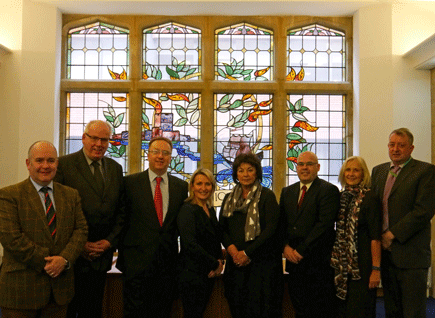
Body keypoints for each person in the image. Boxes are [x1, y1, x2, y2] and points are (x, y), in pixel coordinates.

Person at [0, 141, 88, 318]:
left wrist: (64, 259)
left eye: (51, 160)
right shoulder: (9, 195)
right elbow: (12, 239)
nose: (45, 166)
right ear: (28, 164)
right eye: (39, 160)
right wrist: (50, 262)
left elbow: (81, 230)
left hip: (59, 292)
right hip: (20, 291)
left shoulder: (71, 194)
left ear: (57, 163)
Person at [54, 120, 125, 318]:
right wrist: (80, 245)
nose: (99, 143)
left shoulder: (115, 168)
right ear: (84, 138)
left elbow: (121, 211)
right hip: (72, 259)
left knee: (93, 311)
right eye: (94, 138)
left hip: (101, 258)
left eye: (104, 139)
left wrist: (109, 242)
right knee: (68, 311)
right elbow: (57, 212)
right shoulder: (64, 165)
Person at [117, 136, 188, 318]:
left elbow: (182, 225)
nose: (160, 156)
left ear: (171, 157)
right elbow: (121, 221)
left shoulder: (181, 187)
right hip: (136, 267)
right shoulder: (130, 184)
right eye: (155, 152)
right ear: (147, 155)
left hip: (166, 268)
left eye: (165, 153)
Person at [371, 128, 435, 318]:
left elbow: (423, 211)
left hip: (411, 256)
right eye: (392, 144)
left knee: (412, 312)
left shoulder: (426, 171)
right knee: (392, 310)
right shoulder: (379, 171)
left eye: (401, 145)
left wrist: (392, 235)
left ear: (411, 148)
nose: (395, 149)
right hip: (386, 255)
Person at [220, 152, 283, 318]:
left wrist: (247, 253)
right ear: (236, 174)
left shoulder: (267, 196)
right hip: (236, 266)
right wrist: (234, 252)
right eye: (241, 170)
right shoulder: (228, 198)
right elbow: (222, 229)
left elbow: (271, 229)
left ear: (257, 172)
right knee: (237, 309)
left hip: (261, 267)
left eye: (250, 170)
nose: (245, 174)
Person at [280, 151, 340, 318]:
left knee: (320, 311)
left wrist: (300, 251)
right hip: (294, 264)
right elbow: (281, 223)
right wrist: (285, 247)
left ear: (318, 167)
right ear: (296, 167)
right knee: (300, 309)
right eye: (301, 164)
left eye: (309, 164)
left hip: (318, 263)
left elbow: (324, 226)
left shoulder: (329, 190)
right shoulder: (287, 192)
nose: (304, 168)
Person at [330, 156, 382, 318]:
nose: (351, 173)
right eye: (348, 169)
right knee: (343, 310)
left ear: (363, 173)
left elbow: (375, 236)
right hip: (342, 265)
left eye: (356, 170)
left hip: (363, 266)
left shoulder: (370, 198)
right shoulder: (341, 197)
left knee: (361, 310)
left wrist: (376, 269)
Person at [177, 167, 224, 318]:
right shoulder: (187, 209)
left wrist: (220, 261)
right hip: (192, 274)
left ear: (212, 187)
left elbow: (215, 239)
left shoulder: (209, 208)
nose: (203, 188)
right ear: (192, 186)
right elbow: (190, 244)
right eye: (199, 184)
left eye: (208, 184)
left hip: (208, 273)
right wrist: (214, 264)